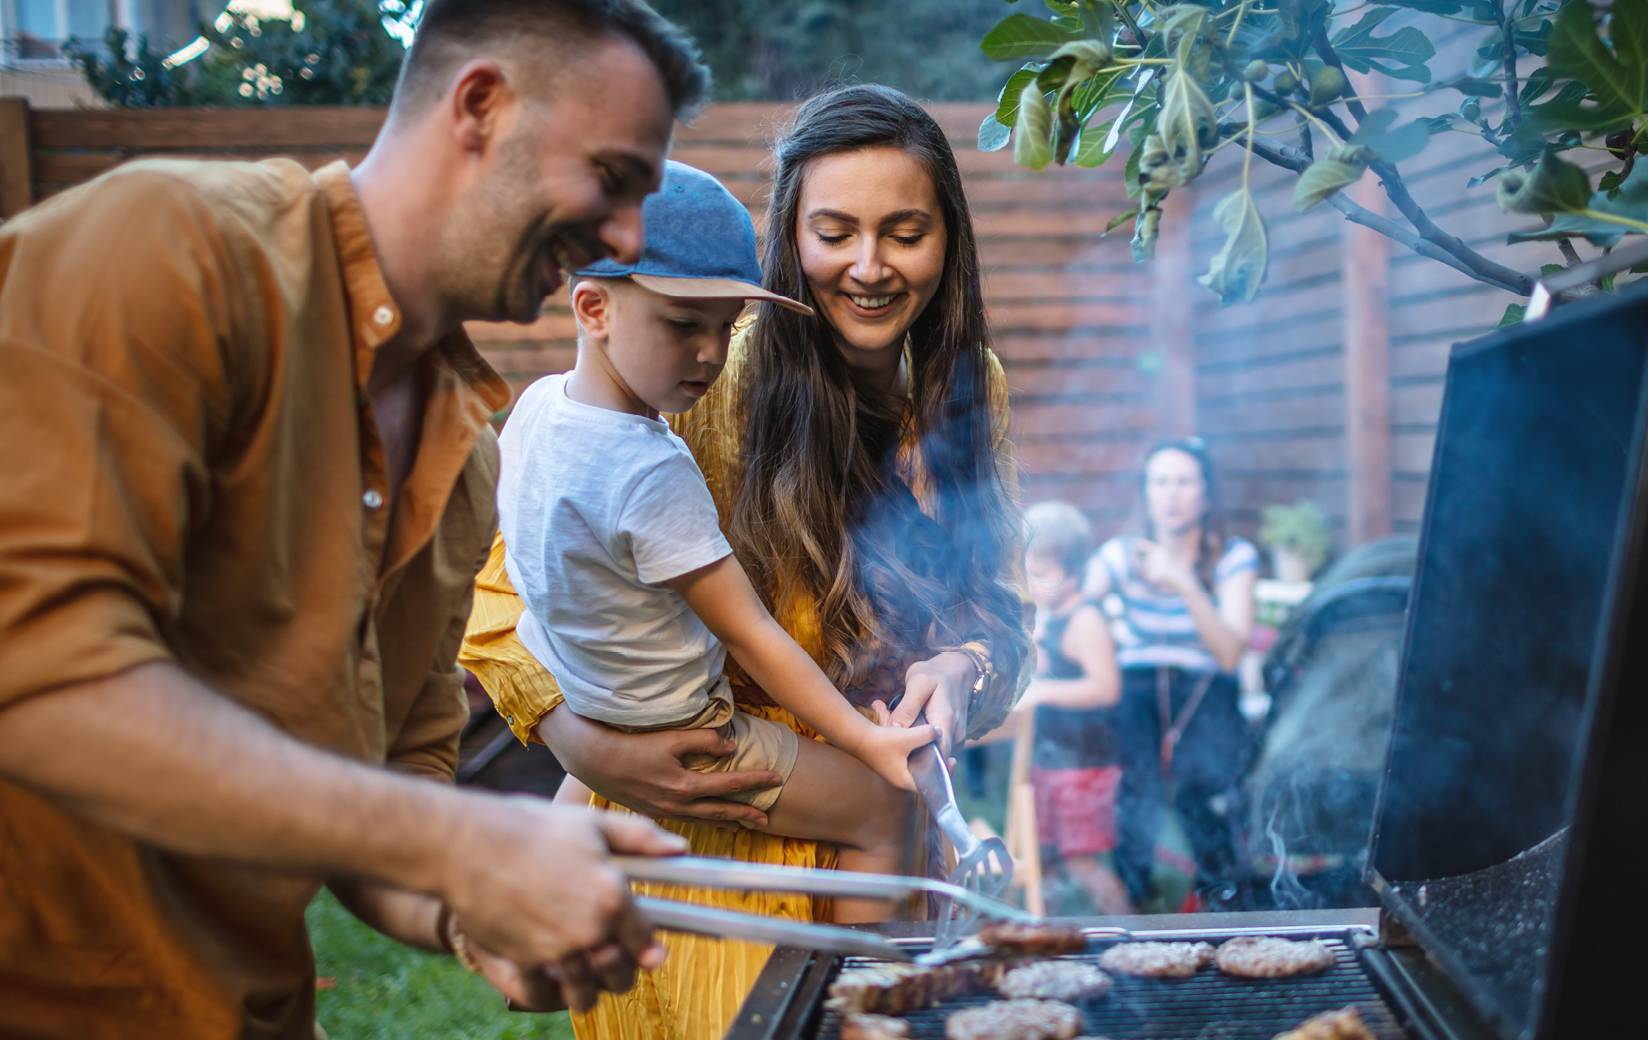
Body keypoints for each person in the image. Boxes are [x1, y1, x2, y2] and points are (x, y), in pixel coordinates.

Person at [0, 1, 720, 1034]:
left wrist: (470, 906)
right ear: (480, 105)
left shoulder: (468, 452)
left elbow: (385, 783)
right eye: (612, 179)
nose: (624, 238)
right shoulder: (171, 250)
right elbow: (36, 669)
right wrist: (456, 842)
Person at [461, 84, 1032, 1038]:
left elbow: (1001, 609)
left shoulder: (974, 389)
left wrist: (963, 669)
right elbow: (508, 595)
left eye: (905, 232)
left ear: (949, 241)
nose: (870, 267)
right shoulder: (704, 366)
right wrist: (583, 745)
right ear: (787, 238)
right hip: (710, 838)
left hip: (884, 854)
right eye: (835, 231)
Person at [501, 160, 934, 921]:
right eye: (681, 325)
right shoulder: (650, 468)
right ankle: (866, 1004)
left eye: (726, 325)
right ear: (593, 307)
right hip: (685, 728)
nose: (710, 353)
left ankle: (524, 911)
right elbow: (751, 635)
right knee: (882, 812)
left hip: (587, 693)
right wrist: (867, 746)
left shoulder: (536, 409)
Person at [1083, 438, 1261, 912]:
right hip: (1138, 683)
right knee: (1136, 792)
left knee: (1204, 788)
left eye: (1184, 482)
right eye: (1160, 482)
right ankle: (1136, 902)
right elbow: (1074, 601)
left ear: (1206, 494)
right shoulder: (1121, 554)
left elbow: (1228, 654)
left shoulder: (1233, 557)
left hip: (1206, 685)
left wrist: (1183, 582)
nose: (1171, 494)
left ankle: (1225, 901)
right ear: (1145, 492)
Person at [1011, 501, 1129, 915]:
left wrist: (1043, 692)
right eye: (1030, 573)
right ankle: (1055, 935)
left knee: (1081, 862)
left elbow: (1105, 687)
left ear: (1071, 570)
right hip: (1053, 758)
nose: (1033, 583)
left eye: (1042, 575)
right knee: (1049, 856)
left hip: (1085, 766)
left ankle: (1132, 932)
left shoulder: (1085, 620)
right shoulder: (1052, 615)